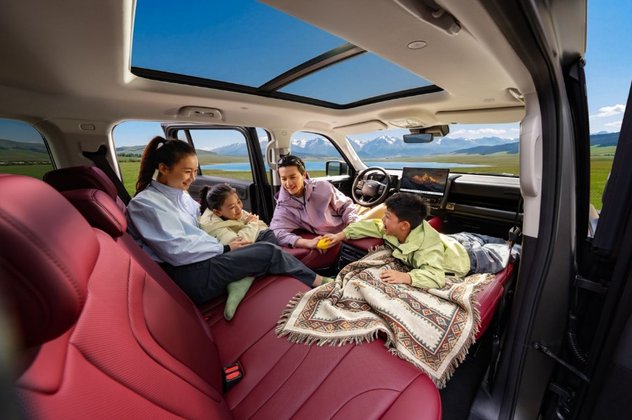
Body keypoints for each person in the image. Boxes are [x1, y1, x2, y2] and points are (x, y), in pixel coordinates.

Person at [126, 137, 330, 305]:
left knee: (266, 235)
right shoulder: (146, 204)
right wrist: (225, 248)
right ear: (163, 168)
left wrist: (242, 219)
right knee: (269, 251)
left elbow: (202, 221)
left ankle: (243, 278)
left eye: (195, 171)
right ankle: (320, 282)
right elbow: (178, 251)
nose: (193, 178)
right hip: (189, 275)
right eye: (187, 172)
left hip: (202, 257)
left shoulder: (181, 194)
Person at [325, 193, 508, 289]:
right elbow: (370, 226)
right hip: (452, 241)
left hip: (469, 258)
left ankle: (513, 244)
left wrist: (407, 277)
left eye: (387, 217)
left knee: (508, 249)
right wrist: (340, 235)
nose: (383, 220)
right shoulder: (391, 228)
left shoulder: (427, 249)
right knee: (478, 237)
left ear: (404, 225)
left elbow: (435, 276)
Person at [269, 154, 383, 250]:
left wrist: (352, 224)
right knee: (384, 209)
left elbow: (346, 206)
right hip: (340, 230)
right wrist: (306, 242)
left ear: (303, 175)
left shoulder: (323, 187)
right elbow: (276, 232)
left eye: (292, 177)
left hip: (350, 217)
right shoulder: (283, 206)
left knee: (385, 209)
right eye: (284, 179)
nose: (288, 183)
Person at [198, 183, 277, 245]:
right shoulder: (212, 225)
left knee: (269, 235)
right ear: (218, 212)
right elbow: (238, 243)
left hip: (255, 241)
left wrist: (250, 224)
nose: (239, 208)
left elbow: (262, 226)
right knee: (269, 237)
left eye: (238, 202)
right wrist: (252, 224)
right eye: (232, 207)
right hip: (231, 254)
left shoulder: (235, 212)